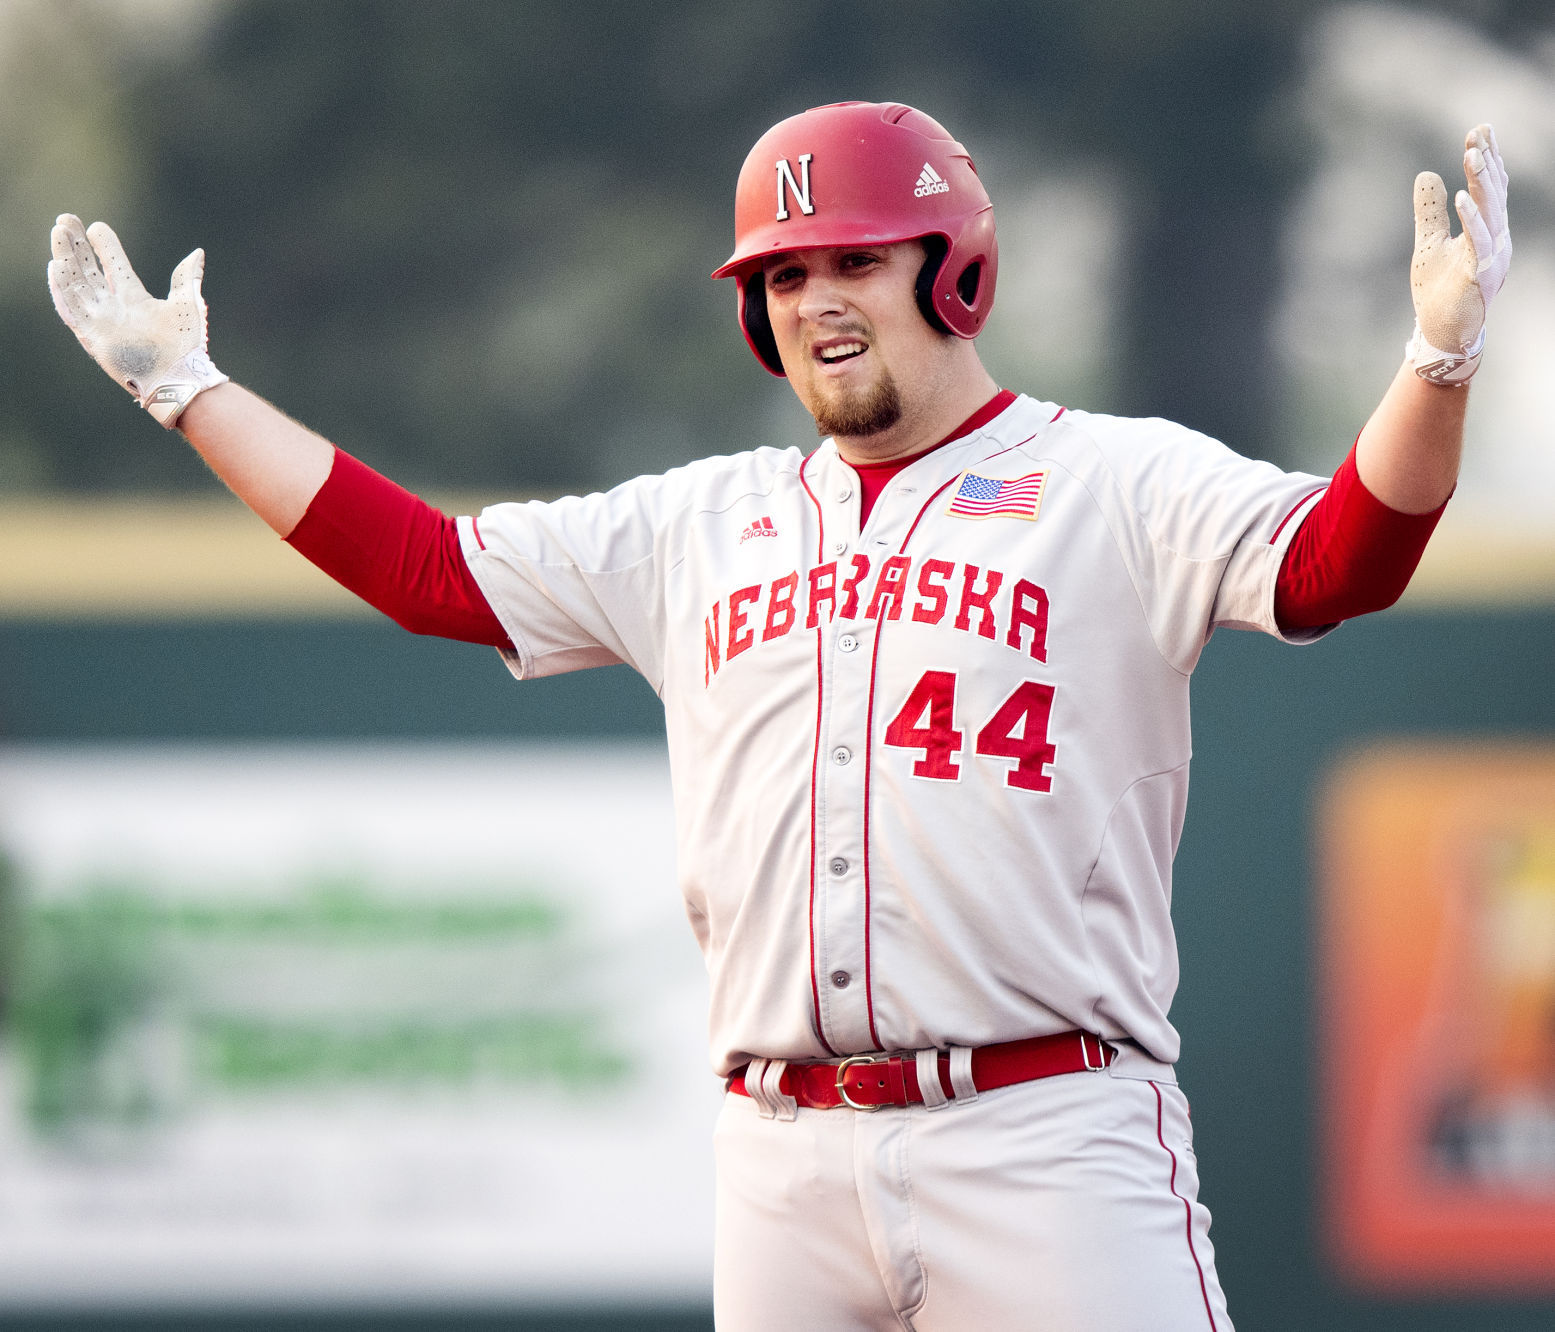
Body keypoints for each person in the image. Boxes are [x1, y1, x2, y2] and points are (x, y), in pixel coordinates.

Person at [48, 101, 1510, 1331]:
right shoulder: (702, 521)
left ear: (958, 277)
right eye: (782, 270)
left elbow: (1339, 567)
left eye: (855, 259)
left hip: (1047, 1136)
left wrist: (1433, 367)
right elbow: (434, 573)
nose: (813, 298)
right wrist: (190, 390)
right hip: (780, 1159)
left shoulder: (1116, 486)